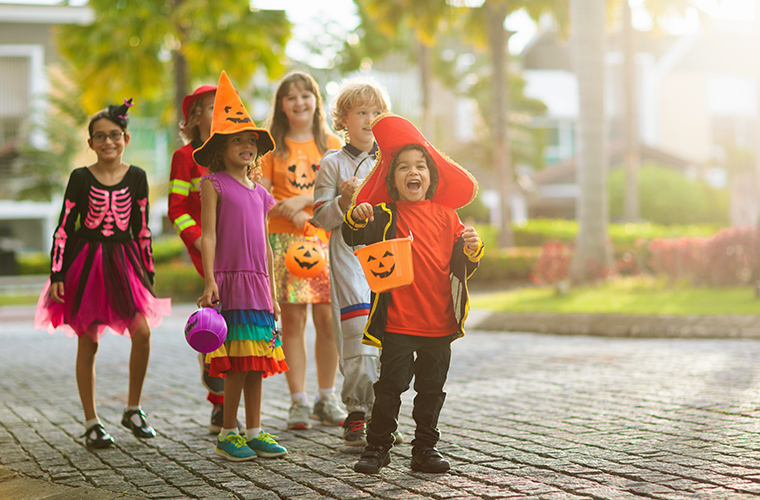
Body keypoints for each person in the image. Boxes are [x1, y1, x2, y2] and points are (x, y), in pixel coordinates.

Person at [342, 114, 484, 474]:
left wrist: (471, 247)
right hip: (398, 324)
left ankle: (424, 449)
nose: (412, 172)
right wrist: (357, 216)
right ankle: (377, 448)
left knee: (432, 391)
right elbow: (353, 235)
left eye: (420, 165)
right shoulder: (384, 215)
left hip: (439, 322)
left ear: (431, 176)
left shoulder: (448, 217)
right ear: (393, 179)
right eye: (403, 167)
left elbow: (462, 266)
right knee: (389, 388)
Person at [34, 99, 172, 449]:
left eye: (114, 135)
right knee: (88, 340)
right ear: (90, 143)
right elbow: (64, 227)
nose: (108, 142)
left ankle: (133, 408)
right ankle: (92, 420)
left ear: (125, 138)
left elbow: (141, 229)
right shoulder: (80, 178)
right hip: (86, 262)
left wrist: (148, 274)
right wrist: (57, 274)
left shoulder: (137, 177)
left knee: (141, 332)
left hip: (125, 262)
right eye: (100, 136)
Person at [194, 71, 289, 461]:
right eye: (238, 141)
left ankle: (254, 429)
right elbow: (209, 236)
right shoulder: (212, 184)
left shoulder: (262, 193)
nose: (247, 147)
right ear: (221, 148)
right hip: (230, 284)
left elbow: (266, 244)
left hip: (258, 286)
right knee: (235, 362)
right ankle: (228, 430)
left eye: (251, 141)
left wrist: (273, 291)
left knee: (256, 361)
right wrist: (211, 279)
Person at [260, 71, 346, 430]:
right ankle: (298, 402)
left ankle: (327, 398)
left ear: (316, 101)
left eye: (305, 95)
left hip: (323, 239)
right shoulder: (270, 147)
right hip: (283, 242)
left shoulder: (330, 144)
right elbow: (261, 198)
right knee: (292, 321)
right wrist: (290, 210)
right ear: (282, 105)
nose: (299, 102)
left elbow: (342, 189)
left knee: (327, 321)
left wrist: (299, 201)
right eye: (291, 97)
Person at [311, 79, 391, 446]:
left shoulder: (392, 160)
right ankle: (356, 412)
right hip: (348, 262)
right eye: (361, 112)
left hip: (389, 262)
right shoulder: (332, 163)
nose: (370, 119)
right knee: (358, 337)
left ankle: (382, 415)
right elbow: (321, 218)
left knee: (390, 342)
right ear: (343, 118)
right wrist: (343, 202)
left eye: (377, 112)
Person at [168, 84, 242, 434]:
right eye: (212, 107)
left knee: (238, 325)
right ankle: (219, 401)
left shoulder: (233, 153)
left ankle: (229, 403)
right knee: (215, 321)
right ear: (195, 116)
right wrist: (197, 241)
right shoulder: (184, 158)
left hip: (239, 248)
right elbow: (176, 208)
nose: (219, 112)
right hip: (206, 250)